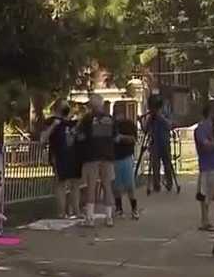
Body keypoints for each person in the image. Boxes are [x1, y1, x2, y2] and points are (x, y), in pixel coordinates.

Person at [76, 95, 116, 226]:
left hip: (91, 156)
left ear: (92, 106)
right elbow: (116, 137)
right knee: (107, 186)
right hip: (107, 156)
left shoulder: (87, 119)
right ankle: (109, 217)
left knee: (91, 187)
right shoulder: (110, 119)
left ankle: (90, 218)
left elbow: (80, 136)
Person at [41, 104, 82, 219]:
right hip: (59, 156)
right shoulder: (52, 122)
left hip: (73, 156)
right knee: (61, 183)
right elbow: (43, 139)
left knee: (75, 183)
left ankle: (76, 211)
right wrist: (53, 126)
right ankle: (62, 212)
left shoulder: (71, 123)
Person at [194, 100, 214, 231]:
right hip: (208, 165)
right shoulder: (202, 128)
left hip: (213, 164)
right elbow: (206, 145)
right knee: (206, 195)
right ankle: (205, 221)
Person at [145, 95, 179, 193]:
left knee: (167, 163)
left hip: (164, 142)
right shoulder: (151, 117)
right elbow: (146, 129)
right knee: (155, 165)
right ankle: (156, 185)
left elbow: (170, 125)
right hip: (154, 143)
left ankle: (169, 182)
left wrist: (160, 117)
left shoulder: (164, 115)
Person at [111, 108, 140, 219]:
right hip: (114, 158)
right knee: (116, 186)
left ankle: (134, 208)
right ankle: (119, 208)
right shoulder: (111, 126)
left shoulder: (129, 124)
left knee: (129, 184)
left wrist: (121, 138)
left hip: (126, 157)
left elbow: (133, 139)